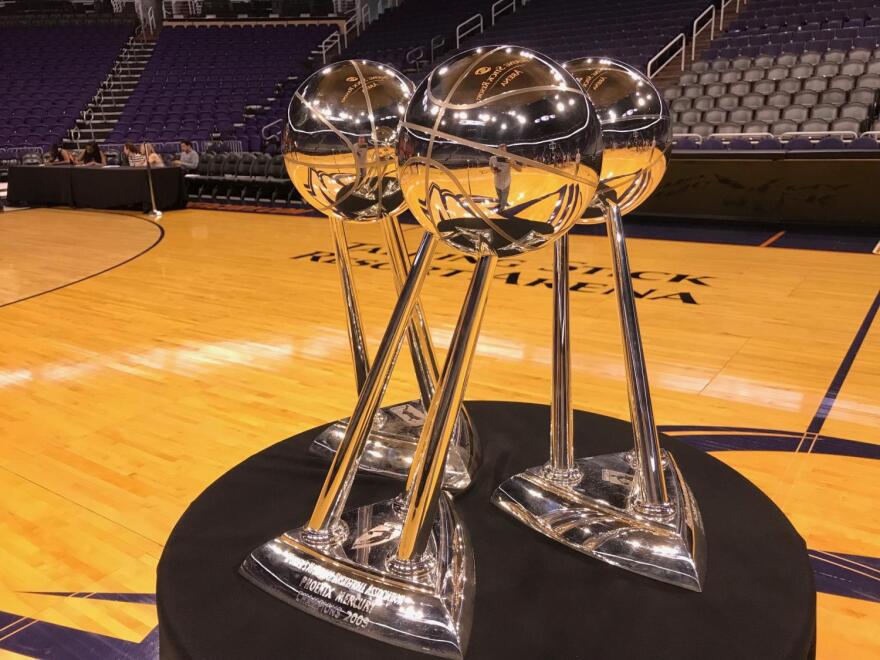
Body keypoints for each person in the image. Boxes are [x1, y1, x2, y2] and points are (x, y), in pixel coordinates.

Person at [489, 144, 521, 212]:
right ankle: (501, 203)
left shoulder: (510, 158)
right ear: (497, 150)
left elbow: (519, 169)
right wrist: (493, 170)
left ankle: (502, 208)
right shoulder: (493, 158)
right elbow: (491, 166)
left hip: (506, 182)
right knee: (499, 196)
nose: (501, 152)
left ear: (506, 151)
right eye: (500, 150)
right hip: (497, 181)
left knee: (504, 197)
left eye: (503, 150)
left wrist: (512, 163)